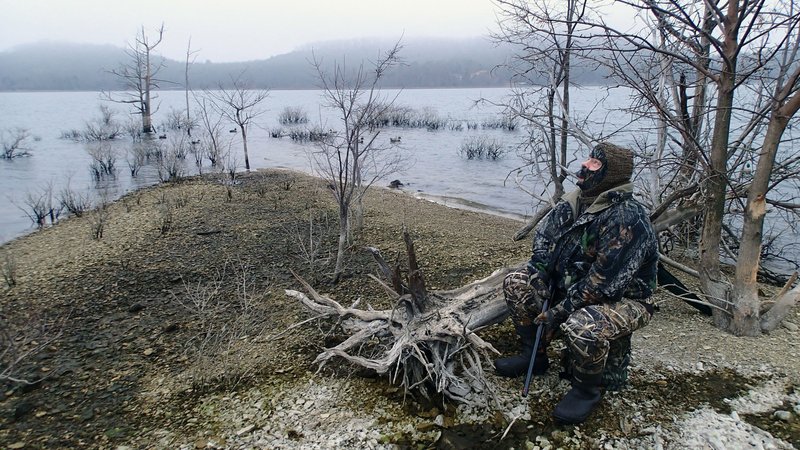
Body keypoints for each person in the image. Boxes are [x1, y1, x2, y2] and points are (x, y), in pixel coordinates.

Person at [494, 142, 658, 424]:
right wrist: (541, 274)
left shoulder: (626, 218)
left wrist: (556, 313)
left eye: (594, 164)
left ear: (610, 173)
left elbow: (603, 284)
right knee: (517, 282)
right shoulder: (574, 200)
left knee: (584, 325)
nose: (584, 166)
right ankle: (534, 355)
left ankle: (586, 390)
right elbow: (543, 241)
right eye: (587, 160)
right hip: (573, 287)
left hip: (624, 299)